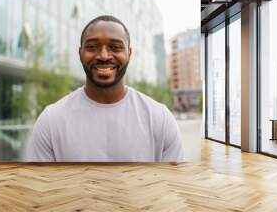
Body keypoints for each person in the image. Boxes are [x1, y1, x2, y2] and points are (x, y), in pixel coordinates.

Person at [25, 15, 184, 162]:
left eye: (115, 47)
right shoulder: (51, 121)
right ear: (80, 53)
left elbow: (173, 186)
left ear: (129, 53)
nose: (103, 56)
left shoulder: (160, 119)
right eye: (92, 47)